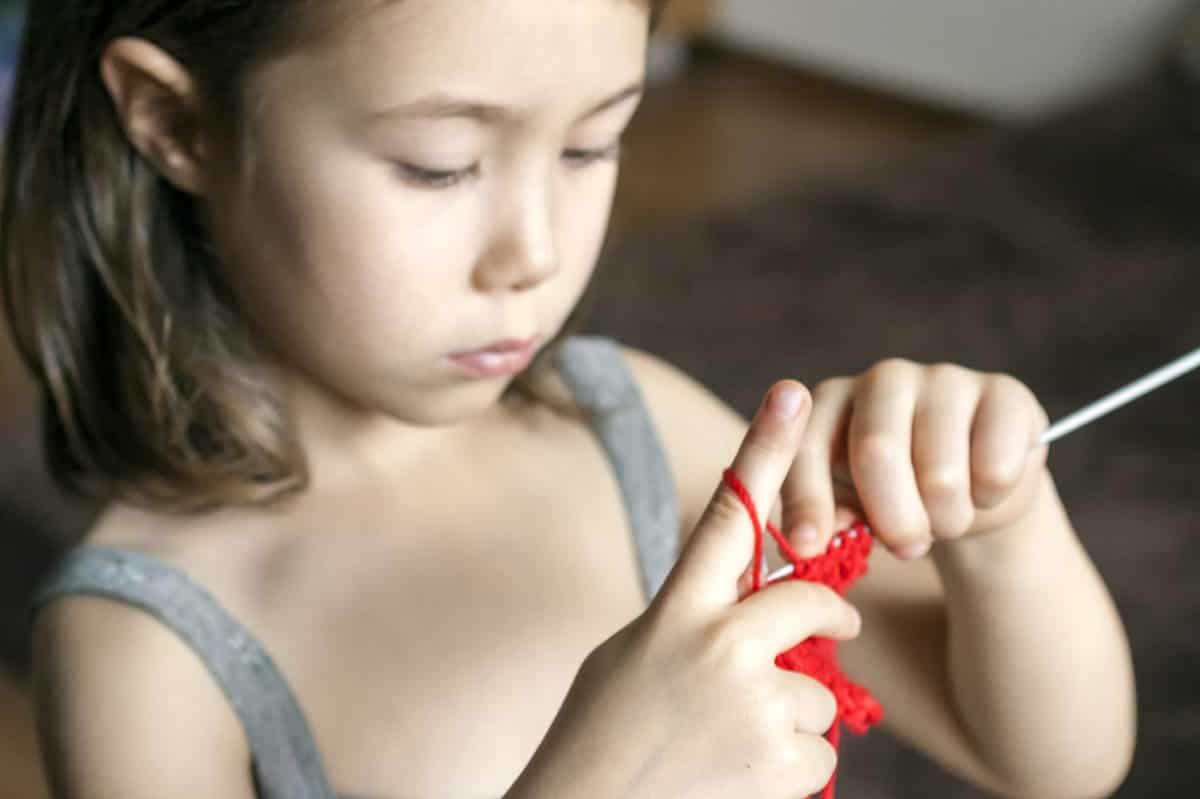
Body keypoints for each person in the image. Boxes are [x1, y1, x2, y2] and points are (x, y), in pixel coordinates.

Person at [1, 1, 1136, 797]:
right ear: (176, 122)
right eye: (439, 164)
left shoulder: (634, 425)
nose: (534, 254)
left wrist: (998, 526)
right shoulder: (143, 648)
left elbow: (1049, 759)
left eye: (595, 144)